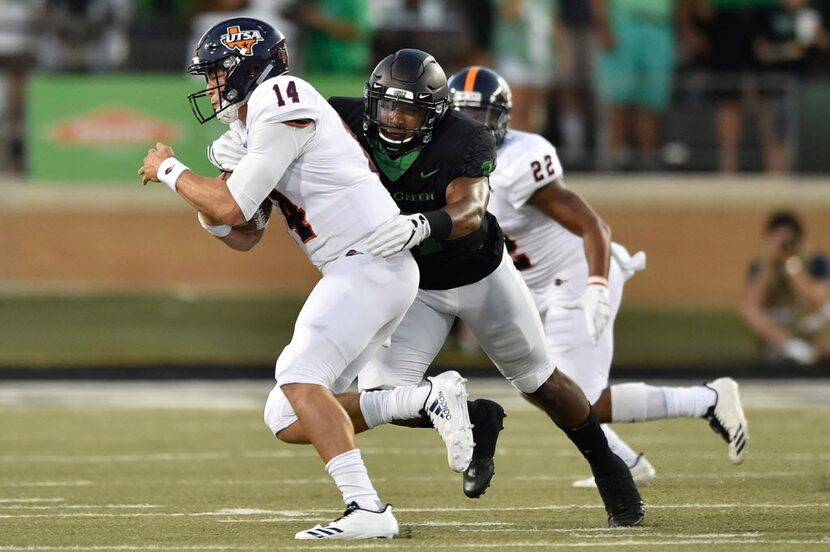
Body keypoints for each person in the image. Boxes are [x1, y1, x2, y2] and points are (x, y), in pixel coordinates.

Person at [209, 48, 646, 527]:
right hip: (411, 283)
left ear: (436, 112)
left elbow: (472, 210)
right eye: (387, 106)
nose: (394, 118)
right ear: (369, 100)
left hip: (479, 272)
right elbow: (275, 135)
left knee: (540, 381)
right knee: (386, 397)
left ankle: (608, 467)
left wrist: (425, 224)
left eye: (410, 108)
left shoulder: (466, 137)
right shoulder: (338, 116)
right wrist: (239, 144)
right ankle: (477, 415)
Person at [139, 17, 477, 541]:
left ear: (246, 68)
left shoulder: (280, 95)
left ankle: (367, 508)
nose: (208, 87)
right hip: (364, 269)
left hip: (367, 259)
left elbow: (230, 206)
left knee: (298, 374)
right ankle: (422, 399)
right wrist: (208, 202)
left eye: (214, 74)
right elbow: (242, 232)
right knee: (286, 415)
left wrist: (171, 171)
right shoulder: (258, 121)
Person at [449, 65, 751, 488]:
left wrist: (596, 286)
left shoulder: (521, 159)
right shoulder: (443, 161)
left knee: (577, 396)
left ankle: (708, 399)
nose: (470, 127)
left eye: (479, 116)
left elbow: (594, 226)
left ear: (501, 118)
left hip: (576, 276)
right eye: (461, 115)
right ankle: (627, 459)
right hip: (532, 288)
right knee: (539, 387)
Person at [592, 0, 677, 170]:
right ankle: (613, 163)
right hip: (622, 26)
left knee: (651, 101)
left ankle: (649, 163)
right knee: (617, 99)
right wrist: (602, 25)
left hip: (659, 25)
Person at [741, 210, 830, 365]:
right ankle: (794, 350)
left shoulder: (815, 260)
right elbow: (752, 305)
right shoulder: (761, 265)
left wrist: (791, 266)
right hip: (781, 328)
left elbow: (815, 299)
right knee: (750, 312)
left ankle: (812, 354)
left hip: (808, 322)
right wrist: (769, 265)